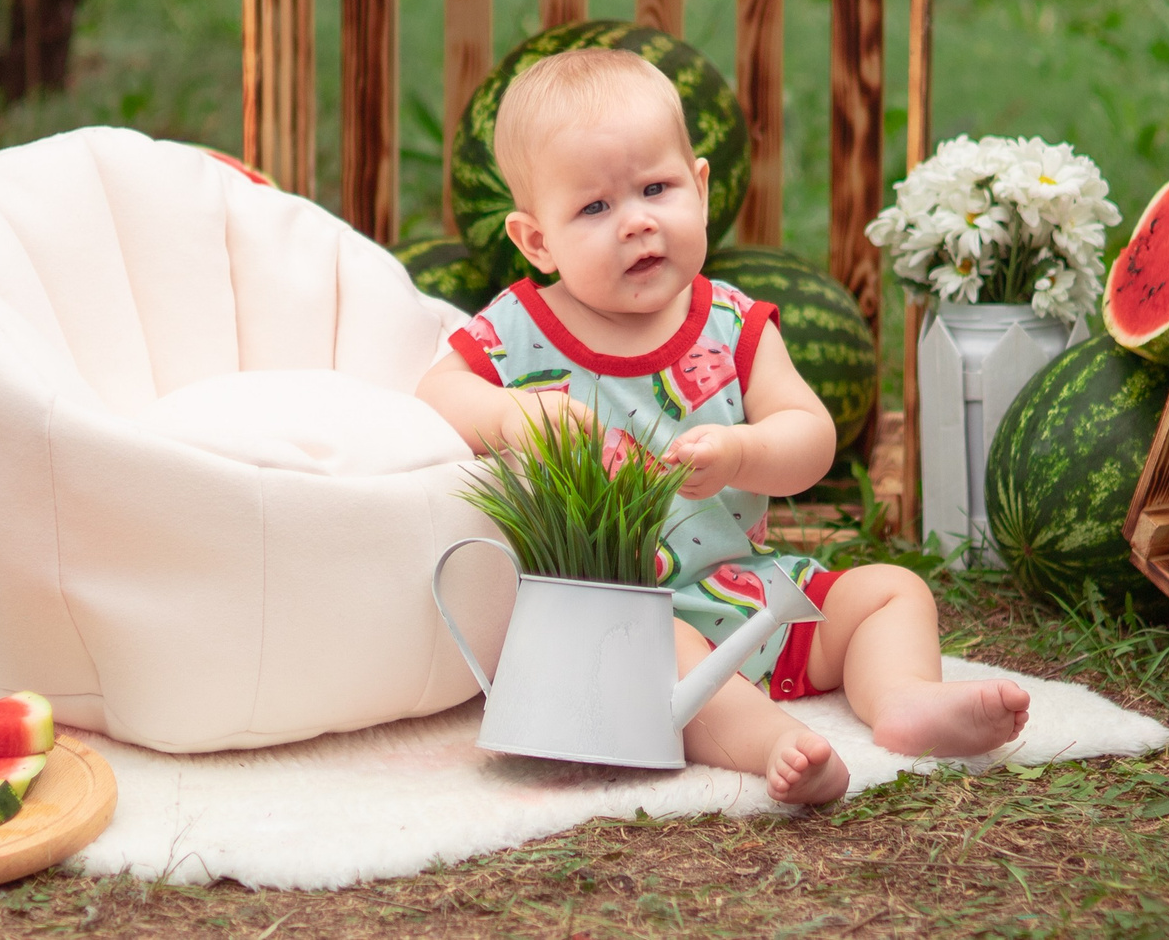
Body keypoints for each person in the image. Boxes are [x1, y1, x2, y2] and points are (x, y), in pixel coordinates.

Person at [417, 49, 1030, 805]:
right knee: (664, 660)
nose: (637, 220)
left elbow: (811, 437)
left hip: (755, 593)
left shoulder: (734, 322)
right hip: (628, 616)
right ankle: (772, 741)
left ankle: (903, 697)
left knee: (890, 591)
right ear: (536, 239)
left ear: (700, 188)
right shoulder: (519, 330)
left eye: (656, 188)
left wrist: (744, 450)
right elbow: (435, 390)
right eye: (595, 208)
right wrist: (515, 412)